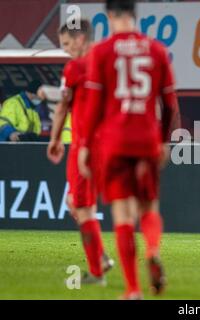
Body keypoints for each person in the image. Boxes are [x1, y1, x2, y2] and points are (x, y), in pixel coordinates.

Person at [78, 0, 180, 300]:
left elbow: (93, 106)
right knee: (149, 207)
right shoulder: (157, 50)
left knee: (123, 214)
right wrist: (163, 141)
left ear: (109, 16)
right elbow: (170, 105)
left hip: (114, 142)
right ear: (135, 15)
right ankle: (152, 250)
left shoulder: (101, 51)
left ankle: (133, 290)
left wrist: (84, 145)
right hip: (146, 138)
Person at [43, 20, 114, 284]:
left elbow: (62, 105)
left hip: (86, 146)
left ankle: (97, 272)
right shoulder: (108, 62)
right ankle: (101, 257)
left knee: (82, 206)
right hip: (101, 144)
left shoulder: (76, 67)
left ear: (81, 39)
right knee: (74, 202)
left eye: (67, 44)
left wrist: (54, 139)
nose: (66, 50)